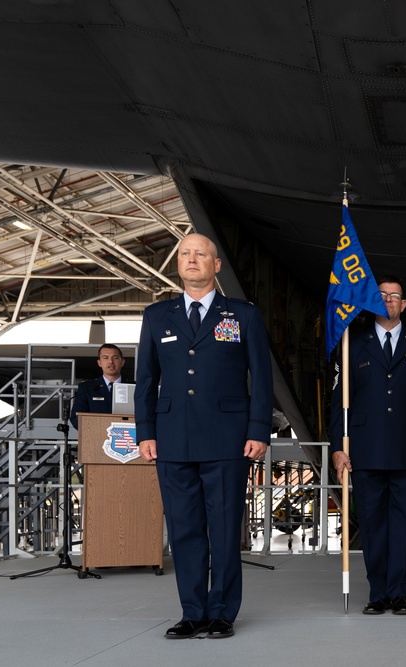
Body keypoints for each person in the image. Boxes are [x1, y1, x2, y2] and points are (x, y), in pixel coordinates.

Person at [135, 233, 273, 640]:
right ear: (178, 264)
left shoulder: (243, 315)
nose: (192, 259)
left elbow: (261, 380)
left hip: (229, 438)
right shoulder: (157, 316)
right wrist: (145, 431)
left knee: (225, 527)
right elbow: (146, 380)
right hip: (173, 436)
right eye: (185, 254)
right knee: (184, 529)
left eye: (201, 254)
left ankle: (222, 613)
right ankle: (192, 612)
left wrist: (258, 429)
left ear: (216, 266)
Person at [330, 276, 406, 616]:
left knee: (405, 524)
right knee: (372, 523)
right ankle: (378, 592)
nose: (389, 300)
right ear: (372, 302)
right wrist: (338, 447)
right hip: (364, 449)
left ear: (404, 304)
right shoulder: (352, 344)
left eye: (395, 296)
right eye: (382, 295)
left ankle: (401, 593)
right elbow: (339, 403)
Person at [69, 343, 125, 429]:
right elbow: (76, 419)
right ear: (99, 363)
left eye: (115, 358)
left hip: (127, 438)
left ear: (122, 362)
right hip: (96, 438)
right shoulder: (87, 388)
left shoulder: (135, 387)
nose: (111, 362)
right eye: (105, 358)